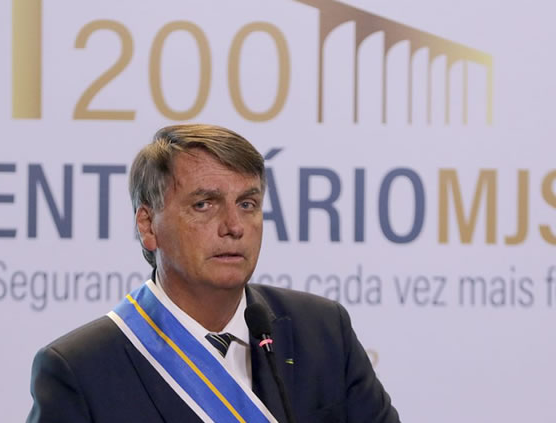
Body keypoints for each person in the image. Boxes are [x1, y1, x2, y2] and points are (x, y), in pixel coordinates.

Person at [26, 124, 400, 423]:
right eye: (204, 204)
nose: (234, 226)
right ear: (148, 226)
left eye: (247, 204)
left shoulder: (323, 331)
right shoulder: (79, 370)